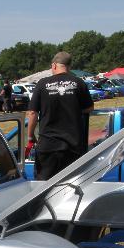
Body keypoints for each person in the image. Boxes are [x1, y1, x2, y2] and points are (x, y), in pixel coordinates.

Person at [26, 51, 94, 181]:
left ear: (54, 65)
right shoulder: (79, 82)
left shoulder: (42, 84)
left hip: (48, 146)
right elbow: (89, 108)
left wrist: (30, 136)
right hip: (72, 146)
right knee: (71, 184)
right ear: (69, 66)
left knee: (43, 186)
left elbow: (33, 113)